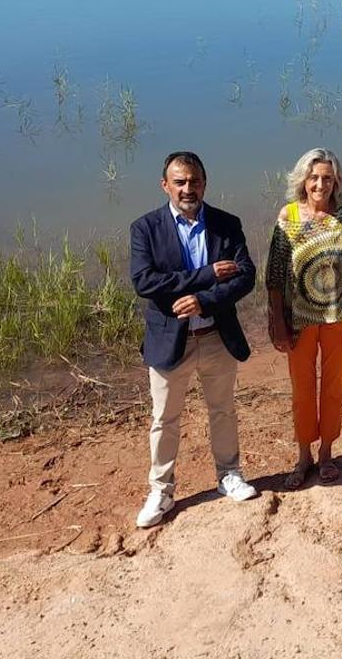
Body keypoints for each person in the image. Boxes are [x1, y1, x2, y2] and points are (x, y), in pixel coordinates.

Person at [129, 151, 258, 529]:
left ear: (205, 182)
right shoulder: (145, 228)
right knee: (165, 419)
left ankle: (229, 475)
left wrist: (205, 299)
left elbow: (246, 276)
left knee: (223, 410)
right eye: (180, 182)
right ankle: (162, 490)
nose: (188, 188)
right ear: (165, 185)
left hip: (216, 335)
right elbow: (145, 282)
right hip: (170, 340)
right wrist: (203, 276)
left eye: (195, 181)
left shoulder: (226, 224)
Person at [266, 148, 342, 489]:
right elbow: (274, 277)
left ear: (336, 181)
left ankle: (326, 451)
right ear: (303, 180)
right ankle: (303, 456)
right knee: (301, 389)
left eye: (327, 178)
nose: (320, 184)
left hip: (339, 317)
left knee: (333, 387)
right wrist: (277, 323)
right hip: (298, 319)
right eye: (314, 178)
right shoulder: (288, 217)